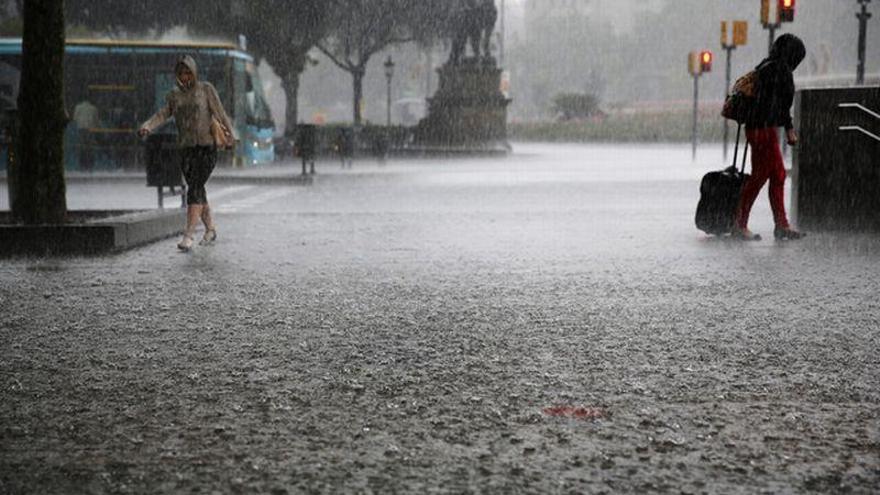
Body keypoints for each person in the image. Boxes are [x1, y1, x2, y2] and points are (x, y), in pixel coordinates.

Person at [138, 55, 233, 251]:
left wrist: (231, 136)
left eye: (188, 72)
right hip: (185, 149)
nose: (185, 76)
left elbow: (220, 113)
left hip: (206, 148)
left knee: (195, 188)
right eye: (181, 73)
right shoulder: (174, 95)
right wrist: (148, 126)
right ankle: (210, 229)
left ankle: (188, 235)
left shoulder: (206, 89)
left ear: (194, 72)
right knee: (198, 189)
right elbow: (163, 113)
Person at [734, 34, 806, 241]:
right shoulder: (780, 70)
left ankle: (781, 224)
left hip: (757, 128)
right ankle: (740, 223)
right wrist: (790, 128)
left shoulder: (765, 66)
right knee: (759, 178)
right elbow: (780, 104)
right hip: (764, 130)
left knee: (778, 175)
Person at [72, 96, 100, 171]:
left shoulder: (78, 107)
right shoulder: (94, 108)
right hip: (90, 130)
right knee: (90, 148)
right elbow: (96, 121)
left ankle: (82, 164)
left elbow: (74, 119)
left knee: (82, 147)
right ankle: (89, 165)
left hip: (81, 130)